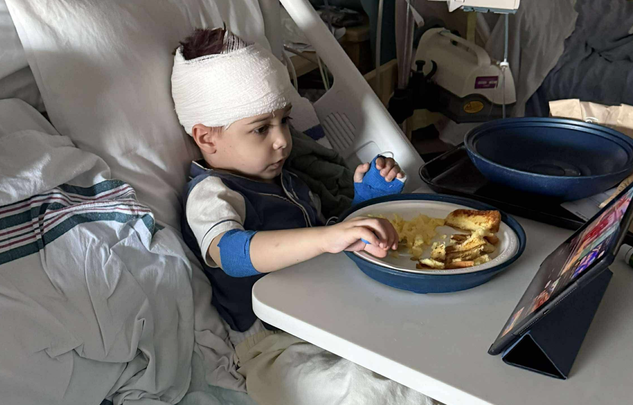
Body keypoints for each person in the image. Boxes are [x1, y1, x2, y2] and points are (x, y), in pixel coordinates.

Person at [171, 27, 436, 405]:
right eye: (261, 129)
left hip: (332, 316)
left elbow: (333, 241)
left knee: (424, 359)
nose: (282, 140)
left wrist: (368, 199)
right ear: (206, 137)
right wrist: (328, 237)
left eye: (285, 121)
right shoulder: (211, 194)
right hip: (274, 346)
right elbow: (230, 253)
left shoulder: (290, 181)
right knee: (368, 394)